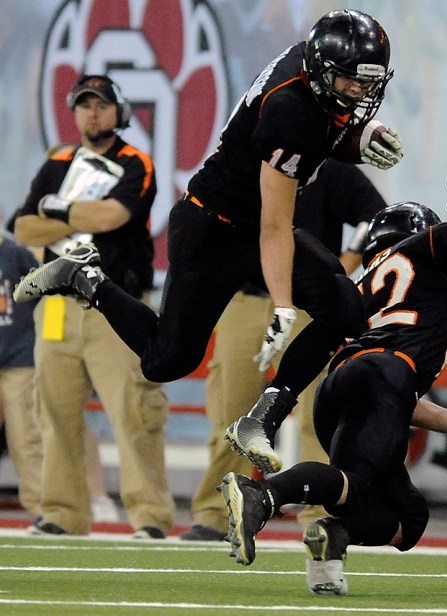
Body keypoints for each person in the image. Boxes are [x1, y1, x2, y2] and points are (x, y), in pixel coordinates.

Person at [14, 9, 403, 478]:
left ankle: (263, 417)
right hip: (212, 227)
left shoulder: (309, 73)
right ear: (322, 71)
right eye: (348, 83)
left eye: (366, 83)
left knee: (346, 310)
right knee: (166, 360)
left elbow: (321, 135)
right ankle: (86, 277)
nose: (358, 94)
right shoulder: (291, 109)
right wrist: (282, 304)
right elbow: (276, 224)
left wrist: (356, 138)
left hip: (250, 222)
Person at [218, 198, 447, 595]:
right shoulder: (442, 243)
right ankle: (262, 495)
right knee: (356, 485)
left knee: (408, 518)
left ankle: (333, 538)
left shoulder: (366, 284)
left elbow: (396, 397)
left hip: (346, 388)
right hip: (385, 376)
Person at [180, 159, 386, 541]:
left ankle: (321, 515)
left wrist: (346, 263)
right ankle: (217, 512)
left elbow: (376, 216)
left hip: (310, 304)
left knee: (316, 412)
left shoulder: (328, 168)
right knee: (232, 411)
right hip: (247, 297)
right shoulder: (250, 165)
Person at [13, 74, 174, 538]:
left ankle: (150, 517)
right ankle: (62, 512)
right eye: (84, 106)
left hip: (114, 304)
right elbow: (24, 229)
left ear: (118, 111)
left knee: (133, 410)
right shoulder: (58, 161)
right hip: (57, 304)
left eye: (101, 105)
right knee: (55, 411)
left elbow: (114, 217)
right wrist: (73, 212)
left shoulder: (134, 162)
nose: (93, 114)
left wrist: (56, 209)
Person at [0, 230, 43, 522]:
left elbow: (42, 292)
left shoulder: (16, 254)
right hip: (17, 350)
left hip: (19, 356)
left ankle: (42, 507)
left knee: (25, 435)